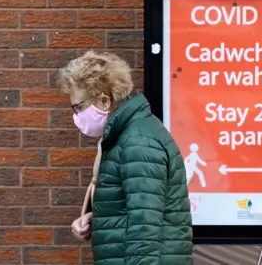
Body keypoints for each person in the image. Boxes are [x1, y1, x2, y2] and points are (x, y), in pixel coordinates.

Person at [58, 51, 193, 264]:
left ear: (104, 101)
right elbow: (135, 210)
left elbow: (144, 227)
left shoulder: (138, 142)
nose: (76, 115)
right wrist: (97, 219)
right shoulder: (127, 137)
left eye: (78, 107)